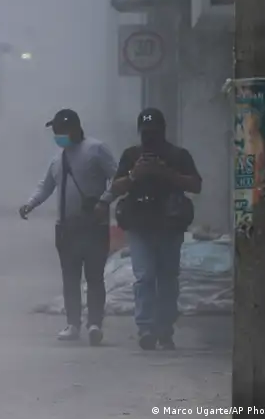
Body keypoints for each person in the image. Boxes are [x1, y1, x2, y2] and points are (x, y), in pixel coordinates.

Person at [102, 108, 201, 351]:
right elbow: (115, 188)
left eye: (153, 133)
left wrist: (166, 173)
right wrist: (135, 175)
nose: (149, 138)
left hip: (170, 225)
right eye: (145, 133)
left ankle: (165, 330)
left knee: (167, 279)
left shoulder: (178, 155)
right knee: (144, 277)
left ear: (163, 132)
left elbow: (196, 185)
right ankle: (146, 328)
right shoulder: (131, 155)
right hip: (139, 226)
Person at [19, 109, 118, 345]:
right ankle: (73, 323)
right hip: (66, 227)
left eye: (60, 131)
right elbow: (46, 186)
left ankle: (94, 323)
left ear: (73, 129)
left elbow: (117, 177)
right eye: (55, 132)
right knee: (70, 278)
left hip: (94, 225)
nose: (57, 136)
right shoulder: (58, 158)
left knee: (95, 277)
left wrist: (104, 200)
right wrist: (30, 204)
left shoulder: (96, 149)